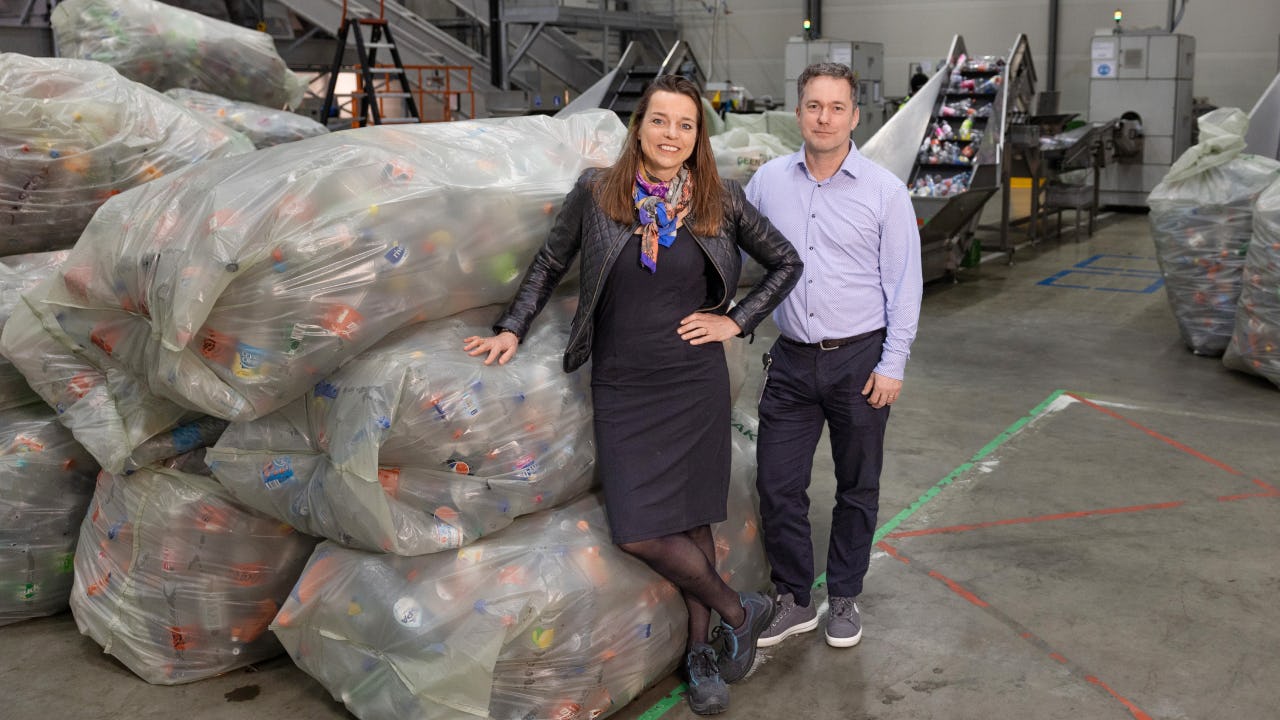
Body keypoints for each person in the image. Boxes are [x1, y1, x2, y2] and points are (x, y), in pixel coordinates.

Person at [464, 75, 802, 715]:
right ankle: (740, 610)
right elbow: (549, 263)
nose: (671, 135)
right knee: (639, 531)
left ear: (698, 136)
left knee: (694, 521)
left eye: (685, 125)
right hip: (623, 383)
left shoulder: (721, 200)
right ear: (638, 126)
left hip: (694, 381)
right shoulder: (598, 193)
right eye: (660, 121)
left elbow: (787, 262)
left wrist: (736, 321)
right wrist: (511, 327)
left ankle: (700, 656)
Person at [745, 62, 922, 650]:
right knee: (777, 484)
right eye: (814, 106)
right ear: (798, 112)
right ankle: (794, 598)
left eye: (837, 107)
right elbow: (737, 253)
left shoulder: (884, 192)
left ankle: (843, 594)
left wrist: (892, 364)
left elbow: (904, 285)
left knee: (857, 485)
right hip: (792, 361)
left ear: (854, 116)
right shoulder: (768, 182)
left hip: (860, 361)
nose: (824, 118)